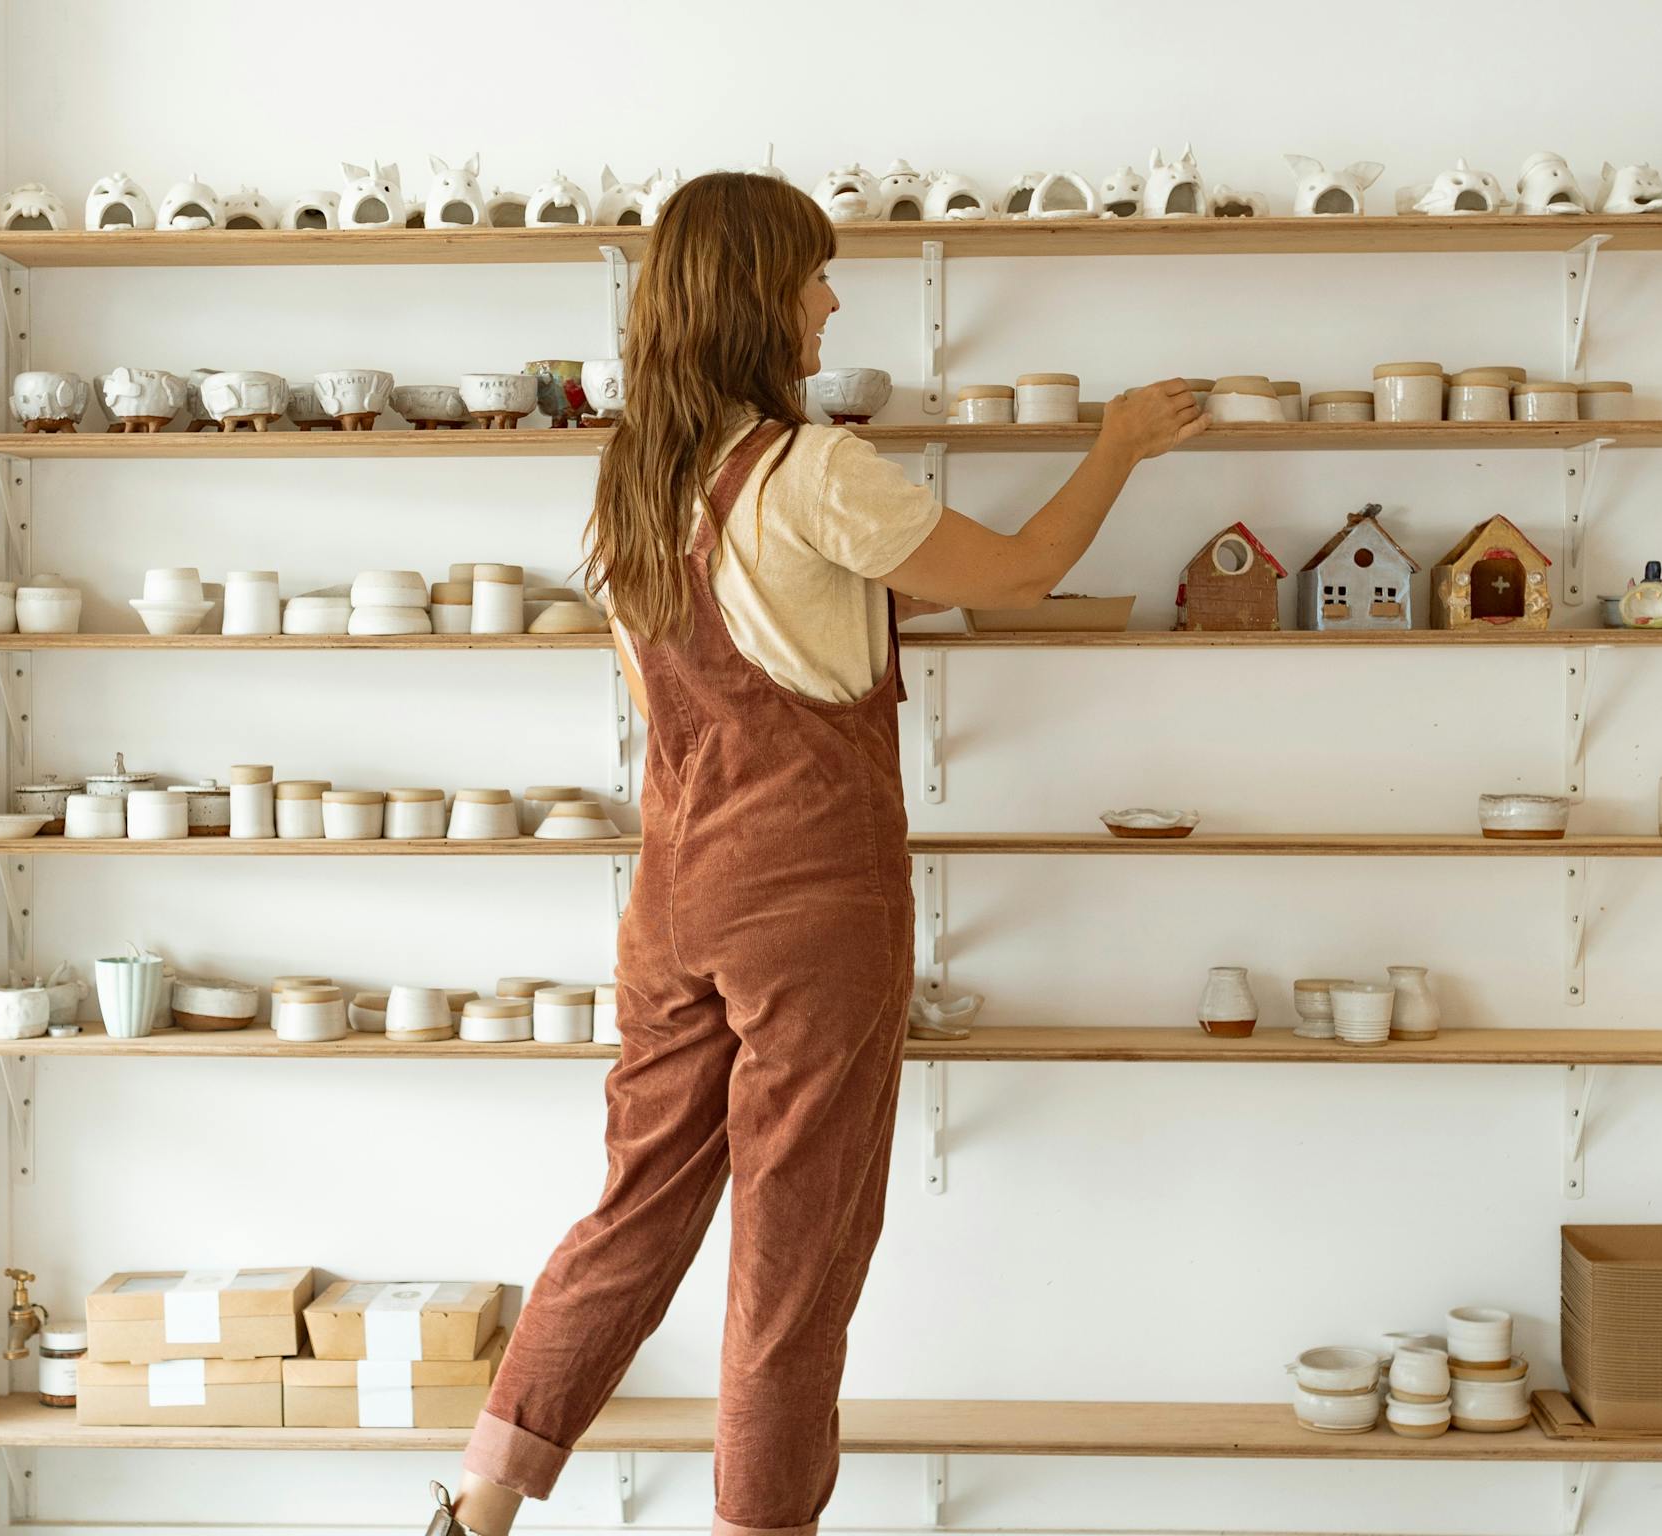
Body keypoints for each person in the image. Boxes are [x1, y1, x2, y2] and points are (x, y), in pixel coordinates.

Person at [424, 171, 1203, 1536]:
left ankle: (476, 1513)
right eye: (813, 277)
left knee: (632, 1217)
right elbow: (1016, 572)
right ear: (754, 299)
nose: (832, 298)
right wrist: (1120, 446)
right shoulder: (813, 469)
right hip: (812, 902)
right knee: (795, 1259)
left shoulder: (632, 483)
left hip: (671, 903)